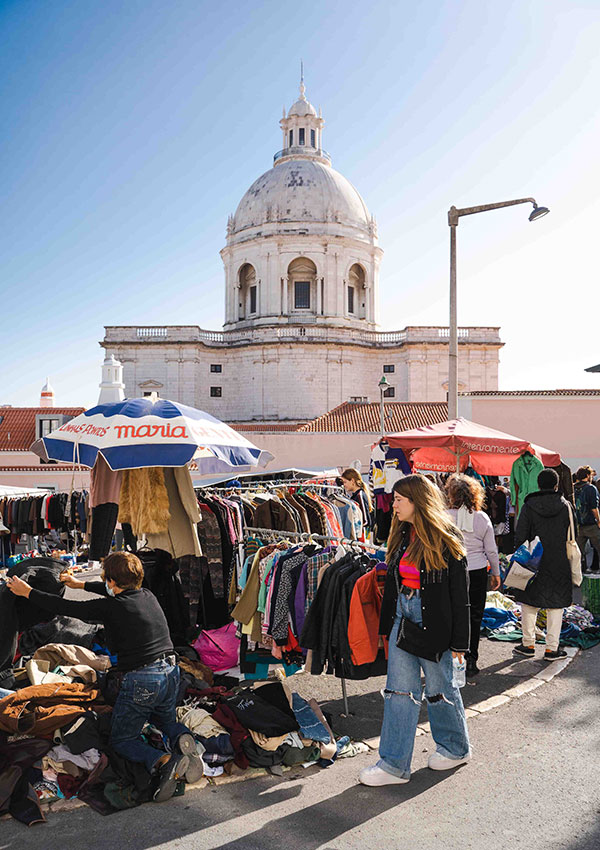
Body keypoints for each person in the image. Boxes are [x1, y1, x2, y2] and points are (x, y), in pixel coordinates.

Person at [6, 552, 200, 802]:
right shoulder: (147, 595)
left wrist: (28, 592)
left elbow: (66, 607)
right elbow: (114, 587)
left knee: (122, 739)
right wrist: (81, 584)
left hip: (143, 679)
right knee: (163, 720)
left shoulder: (111, 606)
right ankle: (181, 737)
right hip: (171, 672)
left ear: (110, 582)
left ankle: (162, 761)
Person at [359, 474, 471, 787]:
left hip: (434, 620)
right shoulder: (401, 533)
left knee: (440, 689)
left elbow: (460, 595)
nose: (392, 504)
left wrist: (461, 643)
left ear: (416, 501)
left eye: (398, 499)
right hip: (402, 617)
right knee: (398, 691)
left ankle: (455, 748)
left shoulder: (446, 536)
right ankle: (393, 764)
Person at [511, 468, 573, 661]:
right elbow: (573, 534)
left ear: (538, 484)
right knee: (556, 605)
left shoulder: (529, 505)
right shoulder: (565, 506)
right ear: (556, 485)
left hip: (533, 560)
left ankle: (528, 644)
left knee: (529, 602)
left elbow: (520, 535)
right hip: (559, 560)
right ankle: (551, 649)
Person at [446, 474, 501, 678]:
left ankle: (453, 659)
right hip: (477, 570)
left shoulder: (444, 516)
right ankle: (471, 661)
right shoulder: (482, 518)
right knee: (474, 616)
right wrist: (496, 573)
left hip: (451, 571)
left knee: (451, 614)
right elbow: (492, 551)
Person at [573, 465, 600, 574]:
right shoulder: (591, 488)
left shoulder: (573, 487)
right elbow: (594, 508)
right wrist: (599, 521)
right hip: (591, 525)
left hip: (578, 525)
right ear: (588, 475)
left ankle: (578, 575)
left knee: (578, 553)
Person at [340, 468, 373, 536]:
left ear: (352, 481)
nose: (344, 485)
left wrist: (355, 530)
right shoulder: (355, 495)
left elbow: (365, 519)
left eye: (345, 482)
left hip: (361, 535)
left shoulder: (359, 495)